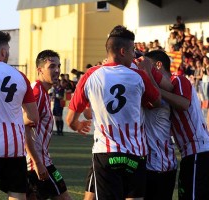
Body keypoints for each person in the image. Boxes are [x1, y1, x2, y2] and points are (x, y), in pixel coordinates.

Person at [66, 25, 161, 200]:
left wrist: (77, 125)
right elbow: (156, 101)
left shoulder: (90, 75)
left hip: (105, 154)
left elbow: (70, 119)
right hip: (135, 153)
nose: (135, 55)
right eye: (133, 50)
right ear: (123, 51)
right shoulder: (139, 75)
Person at [146, 50, 209, 200]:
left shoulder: (178, 80)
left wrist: (157, 91)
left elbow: (183, 103)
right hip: (195, 155)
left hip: (199, 154)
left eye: (149, 67)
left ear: (158, 65)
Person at [0, 29, 39, 199]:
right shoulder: (20, 76)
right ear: (3, 51)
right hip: (15, 146)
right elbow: (33, 116)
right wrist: (13, 121)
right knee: (17, 194)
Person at [25, 50, 74, 200]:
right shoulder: (37, 92)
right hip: (36, 163)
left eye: (58, 66)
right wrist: (37, 162)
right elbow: (25, 127)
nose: (57, 70)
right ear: (40, 70)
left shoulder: (43, 91)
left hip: (39, 160)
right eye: (51, 66)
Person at [143, 51, 177, 200]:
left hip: (160, 163)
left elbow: (154, 97)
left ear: (158, 65)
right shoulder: (165, 90)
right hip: (157, 161)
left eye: (149, 66)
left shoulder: (162, 95)